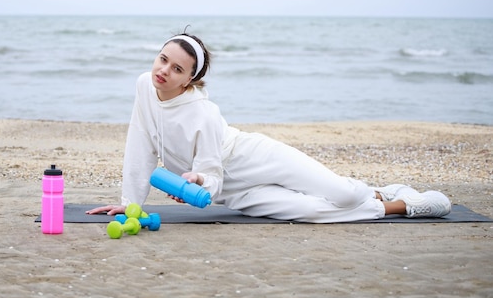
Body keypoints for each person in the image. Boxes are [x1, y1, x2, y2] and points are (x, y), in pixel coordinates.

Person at [87, 33, 452, 222]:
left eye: (177, 69)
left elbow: (211, 170)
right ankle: (402, 206)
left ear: (189, 80)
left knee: (342, 196)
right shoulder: (143, 86)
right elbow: (139, 146)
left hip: (251, 158)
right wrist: (129, 205)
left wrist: (199, 181)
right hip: (232, 192)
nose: (163, 70)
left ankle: (376, 192)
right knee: (311, 213)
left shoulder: (204, 113)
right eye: (163, 59)